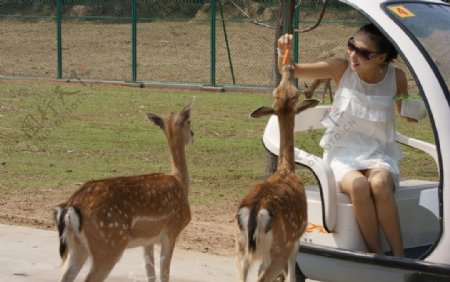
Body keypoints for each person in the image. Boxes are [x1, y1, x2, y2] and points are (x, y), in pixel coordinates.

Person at [277, 23, 416, 257]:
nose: (353, 54)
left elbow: (403, 104)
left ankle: (401, 256)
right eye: (351, 45)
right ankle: (378, 255)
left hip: (378, 153)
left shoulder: (396, 77)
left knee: (380, 184)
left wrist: (412, 111)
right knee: (360, 186)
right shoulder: (341, 69)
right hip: (342, 153)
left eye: (362, 52)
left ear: (381, 57)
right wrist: (284, 52)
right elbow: (293, 69)